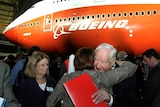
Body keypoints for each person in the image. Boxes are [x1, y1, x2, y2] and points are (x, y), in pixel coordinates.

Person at [46, 45, 137, 107]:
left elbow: (50, 103)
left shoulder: (66, 78)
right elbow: (130, 67)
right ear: (92, 60)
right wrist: (116, 61)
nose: (98, 65)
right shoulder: (101, 77)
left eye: (103, 61)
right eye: (97, 60)